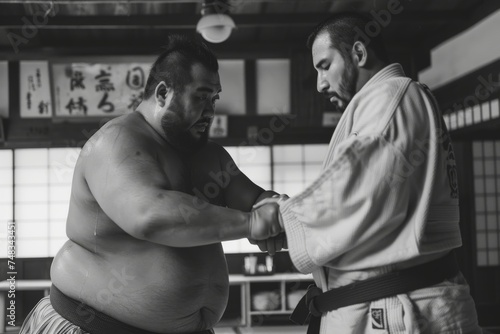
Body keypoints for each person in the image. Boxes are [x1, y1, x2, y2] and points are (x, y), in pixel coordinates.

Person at [19, 34, 283, 334]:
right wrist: (251, 224)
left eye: (214, 99)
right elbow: (149, 215)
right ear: (162, 93)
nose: (211, 110)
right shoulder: (116, 142)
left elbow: (257, 201)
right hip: (94, 325)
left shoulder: (210, 155)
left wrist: (281, 211)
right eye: (200, 97)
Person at [255, 13, 482, 334]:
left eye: (324, 66)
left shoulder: (390, 97)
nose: (320, 84)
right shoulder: (392, 100)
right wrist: (290, 225)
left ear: (359, 53)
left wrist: (282, 217)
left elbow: (362, 193)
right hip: (395, 300)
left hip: (397, 307)